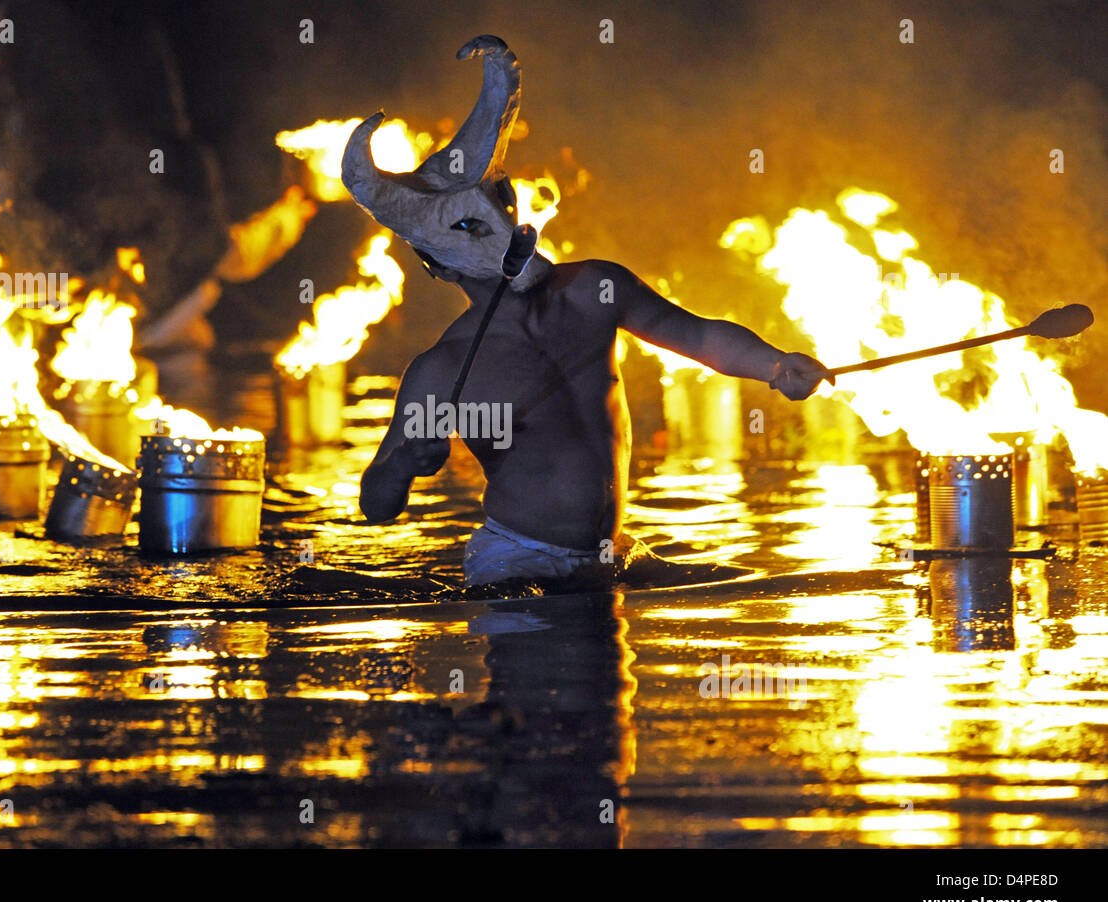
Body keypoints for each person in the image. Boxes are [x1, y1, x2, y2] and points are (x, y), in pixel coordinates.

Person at [347, 36, 827, 589]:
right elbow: (377, 504)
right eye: (469, 227)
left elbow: (699, 337)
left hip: (615, 554)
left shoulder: (595, 288)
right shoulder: (444, 370)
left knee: (736, 597)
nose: (503, 229)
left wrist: (774, 366)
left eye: (500, 203)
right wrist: (405, 465)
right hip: (518, 563)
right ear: (439, 267)